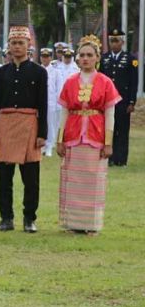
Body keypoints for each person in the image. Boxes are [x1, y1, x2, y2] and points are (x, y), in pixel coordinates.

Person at [57, 35, 121, 235]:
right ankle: (73, 223)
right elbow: (64, 112)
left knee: (93, 181)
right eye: (82, 55)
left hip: (95, 135)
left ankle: (91, 225)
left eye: (89, 55)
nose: (85, 58)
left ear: (96, 58)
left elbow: (110, 113)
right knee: (73, 180)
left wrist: (108, 143)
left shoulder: (105, 82)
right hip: (74, 135)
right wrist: (60, 140)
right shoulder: (69, 82)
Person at [0, 26, 48, 233]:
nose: (17, 46)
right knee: (4, 178)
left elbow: (43, 105)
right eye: (13, 43)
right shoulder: (1, 72)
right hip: (5, 124)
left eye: (21, 42)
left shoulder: (39, 72)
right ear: (9, 46)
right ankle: (6, 218)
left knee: (31, 178)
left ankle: (29, 218)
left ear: (29, 45)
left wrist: (42, 134)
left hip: (29, 124)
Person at [100, 29, 137, 167]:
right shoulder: (104, 58)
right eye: (111, 41)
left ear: (122, 42)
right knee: (109, 129)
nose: (114, 44)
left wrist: (132, 101)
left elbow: (134, 81)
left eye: (116, 41)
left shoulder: (130, 59)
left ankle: (121, 159)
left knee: (122, 130)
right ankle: (109, 157)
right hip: (107, 101)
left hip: (123, 101)